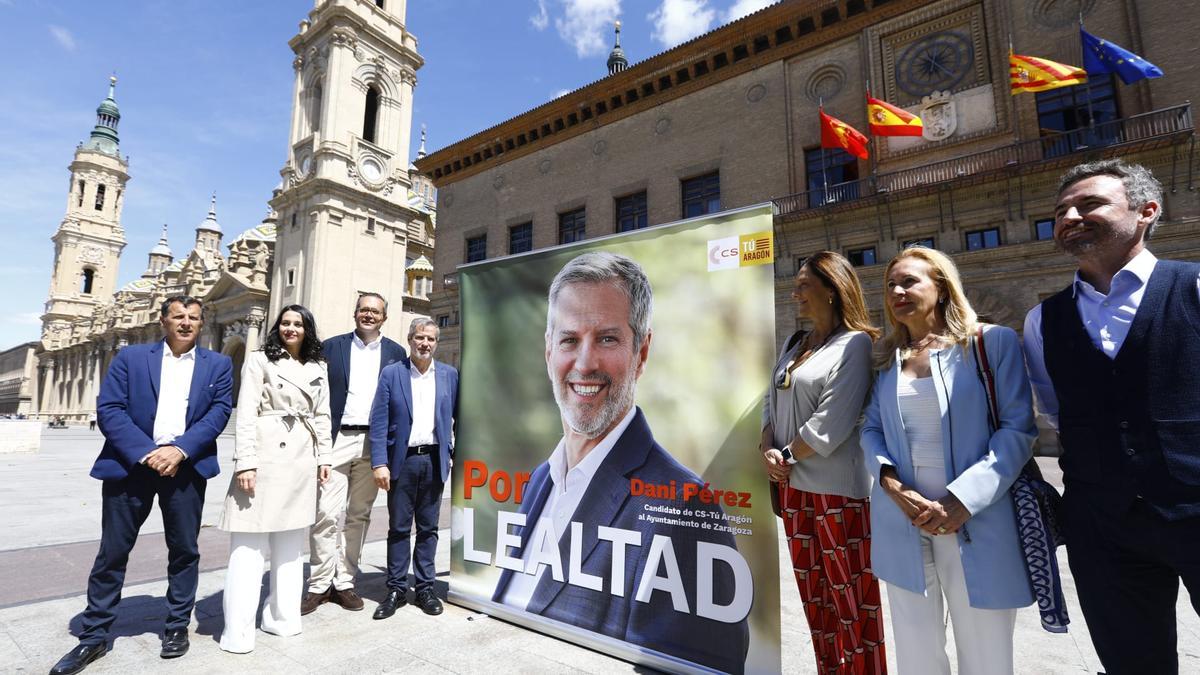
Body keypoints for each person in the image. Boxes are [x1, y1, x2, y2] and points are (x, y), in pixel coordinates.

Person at [490, 251, 750, 674]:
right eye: (569, 340)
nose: (585, 362)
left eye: (607, 338)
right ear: (548, 353)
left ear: (642, 353)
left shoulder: (685, 505)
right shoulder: (542, 480)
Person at [1023, 160, 1200, 674]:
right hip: (1104, 527)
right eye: (1060, 212)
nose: (1070, 217)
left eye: (1089, 204)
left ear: (1146, 212)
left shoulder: (1191, 287)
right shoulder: (1043, 320)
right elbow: (1057, 411)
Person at [861, 247, 1036, 675]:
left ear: (941, 287)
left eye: (909, 282)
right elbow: (870, 428)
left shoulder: (989, 343)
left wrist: (963, 501)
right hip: (902, 518)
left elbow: (1017, 429)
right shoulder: (887, 358)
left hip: (977, 519)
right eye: (890, 286)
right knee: (916, 651)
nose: (897, 292)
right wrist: (891, 484)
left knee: (985, 652)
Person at [50, 296, 233, 675]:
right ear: (163, 320)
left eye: (194, 318)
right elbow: (110, 409)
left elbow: (218, 412)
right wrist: (149, 453)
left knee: (184, 550)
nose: (186, 323)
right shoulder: (131, 359)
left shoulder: (218, 364)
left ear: (202, 323)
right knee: (112, 552)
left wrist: (179, 450)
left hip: (185, 468)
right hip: (131, 466)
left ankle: (176, 627)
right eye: (179, 316)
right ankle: (94, 635)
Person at [761, 251, 885, 674]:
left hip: (837, 495)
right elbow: (769, 402)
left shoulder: (855, 344)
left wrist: (787, 455)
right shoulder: (794, 343)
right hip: (793, 491)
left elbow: (833, 421)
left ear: (831, 290)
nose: (794, 292)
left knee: (852, 601)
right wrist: (767, 447)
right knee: (815, 602)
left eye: (803, 285)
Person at [218, 305, 332, 654]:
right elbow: (247, 411)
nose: (291, 328)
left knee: (290, 547)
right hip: (265, 454)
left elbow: (323, 414)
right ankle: (237, 630)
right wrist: (245, 463)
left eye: (298, 323)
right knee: (248, 548)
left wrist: (324, 457)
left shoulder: (318, 366)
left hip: (301, 456)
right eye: (285, 323)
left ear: (307, 329)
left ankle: (282, 618)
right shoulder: (259, 360)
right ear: (277, 327)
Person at [302, 292, 407, 615]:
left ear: (384, 318)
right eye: (363, 310)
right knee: (326, 514)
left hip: (374, 444)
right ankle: (319, 584)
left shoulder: (396, 353)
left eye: (375, 312)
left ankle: (344, 581)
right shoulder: (331, 347)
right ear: (355, 313)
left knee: (359, 515)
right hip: (337, 439)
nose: (369, 315)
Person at [369, 318, 458, 619]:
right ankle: (395, 588)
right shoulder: (392, 374)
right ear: (410, 339)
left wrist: (455, 453)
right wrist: (379, 462)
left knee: (429, 528)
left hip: (433, 460)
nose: (425, 344)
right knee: (399, 528)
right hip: (401, 462)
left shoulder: (449, 375)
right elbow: (379, 422)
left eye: (431, 339)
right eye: (420, 337)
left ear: (436, 343)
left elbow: (458, 418)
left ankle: (424, 588)